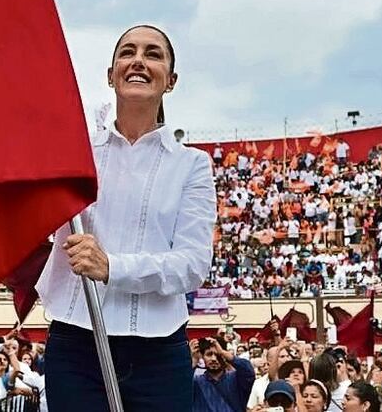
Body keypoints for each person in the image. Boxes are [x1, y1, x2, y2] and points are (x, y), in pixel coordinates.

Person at [36, 25, 217, 411]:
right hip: (76, 342)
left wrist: (112, 267)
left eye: (153, 54)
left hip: (159, 354)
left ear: (171, 80)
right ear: (110, 74)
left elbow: (192, 264)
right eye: (127, 52)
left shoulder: (192, 166)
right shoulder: (74, 152)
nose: (138, 60)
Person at [193, 337, 256, 412]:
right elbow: (180, 388)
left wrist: (222, 352)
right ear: (202, 357)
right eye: (209, 354)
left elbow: (248, 371)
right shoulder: (196, 382)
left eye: (217, 355)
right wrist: (193, 361)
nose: (214, 359)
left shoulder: (236, 379)